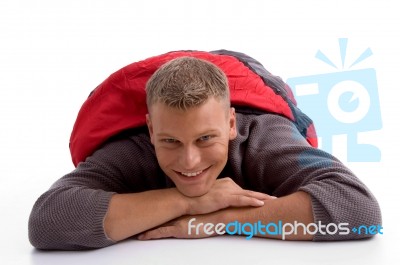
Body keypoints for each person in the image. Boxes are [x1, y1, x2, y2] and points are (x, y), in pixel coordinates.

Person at [28, 52, 382, 250]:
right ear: (151, 130)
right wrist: (190, 202)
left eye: (205, 139)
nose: (189, 162)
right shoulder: (132, 148)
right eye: (170, 141)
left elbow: (361, 212)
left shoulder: (264, 137)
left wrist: (217, 220)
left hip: (246, 75)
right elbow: (46, 223)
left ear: (230, 125)